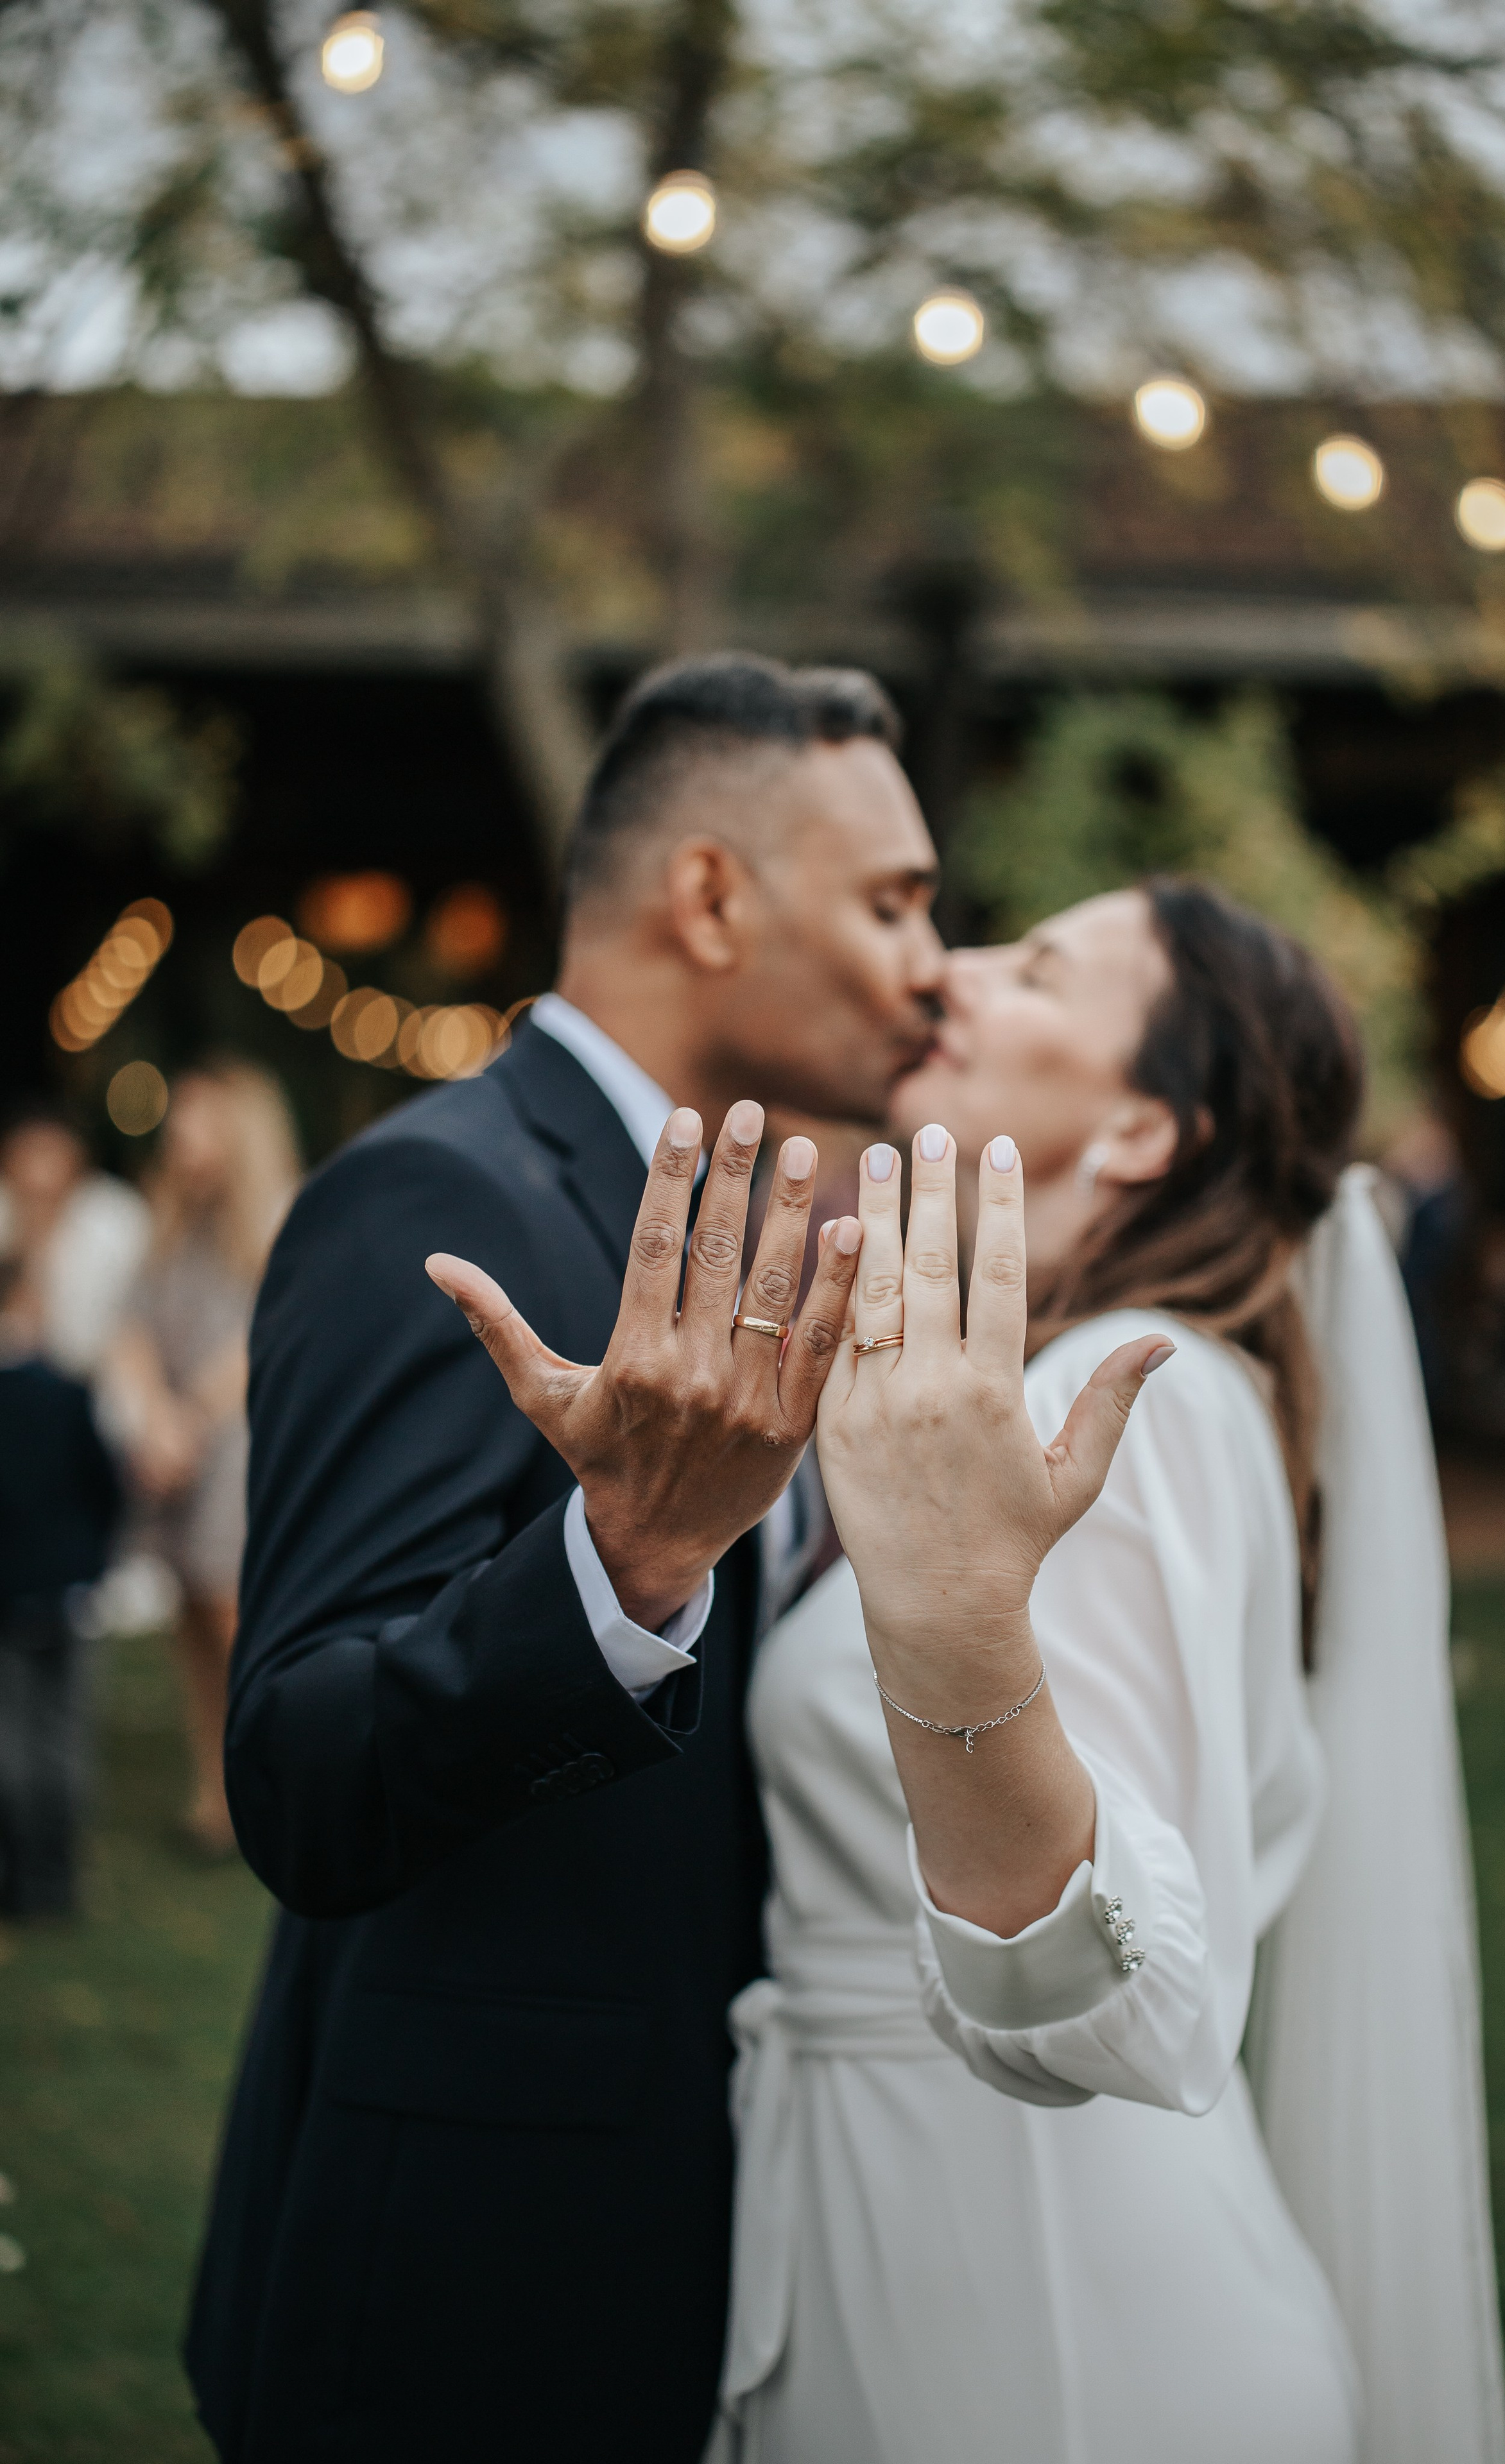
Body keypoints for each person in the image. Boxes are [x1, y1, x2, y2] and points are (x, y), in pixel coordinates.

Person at [184, 654, 945, 2464]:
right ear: (709, 894)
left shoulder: (733, 1221)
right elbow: (299, 1771)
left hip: (689, 2222)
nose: (936, 962)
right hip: (468, 2284)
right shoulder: (445, 1198)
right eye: (895, 901)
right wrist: (628, 1561)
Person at [687, 885, 1505, 2460]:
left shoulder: (1130, 1401)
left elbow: (1123, 1995)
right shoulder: (1045, 1399)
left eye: (1035, 965)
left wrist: (947, 1623)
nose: (952, 971)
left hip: (1054, 2343)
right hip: (937, 2262)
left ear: (1141, 1127)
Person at [105, 1064, 301, 1858]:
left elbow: (265, 1336)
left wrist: (187, 1422)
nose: (177, 1137)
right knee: (186, 1613)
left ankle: (273, 1790)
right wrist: (152, 1416)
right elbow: (132, 1323)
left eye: (194, 1121)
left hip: (235, 1451)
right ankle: (211, 1795)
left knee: (235, 1624)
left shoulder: (280, 1217)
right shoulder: (169, 1217)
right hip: (174, 1446)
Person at [0, 1261, 121, 1916]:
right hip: (66, 1588)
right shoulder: (66, 1392)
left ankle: (19, 1878)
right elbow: (104, 1486)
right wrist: (92, 1562)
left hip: (9, 1594)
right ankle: (56, 1881)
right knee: (61, 1737)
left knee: (10, 1739)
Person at [0, 1103, 150, 1381]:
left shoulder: (114, 1219)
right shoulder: (7, 1210)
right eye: (27, 1152)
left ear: (77, 1157)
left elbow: (94, 1343)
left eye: (47, 1152)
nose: (38, 1170)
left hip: (86, 1389)